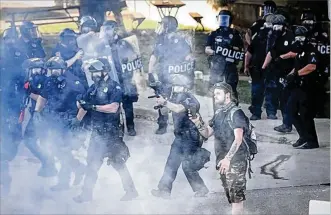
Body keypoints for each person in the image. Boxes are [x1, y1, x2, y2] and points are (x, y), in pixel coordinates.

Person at [73, 58, 138, 203]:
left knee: (118, 163)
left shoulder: (115, 87)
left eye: (96, 72)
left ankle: (131, 191)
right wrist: (77, 120)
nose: (94, 75)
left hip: (111, 133)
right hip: (97, 133)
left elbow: (113, 107)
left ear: (105, 71)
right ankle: (86, 194)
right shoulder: (93, 88)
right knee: (92, 164)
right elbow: (83, 105)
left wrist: (93, 107)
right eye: (92, 73)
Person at [150, 58, 209, 199]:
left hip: (192, 137)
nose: (174, 88)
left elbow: (177, 109)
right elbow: (166, 112)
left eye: (176, 86)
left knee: (187, 166)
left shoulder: (190, 99)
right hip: (180, 136)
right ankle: (164, 190)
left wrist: (166, 102)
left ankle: (201, 189)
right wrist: (162, 104)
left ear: (183, 87)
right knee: (171, 163)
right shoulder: (175, 97)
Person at [191, 82, 250, 215]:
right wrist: (197, 121)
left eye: (218, 93)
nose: (215, 96)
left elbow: (238, 138)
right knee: (231, 197)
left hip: (236, 162)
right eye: (214, 94)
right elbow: (206, 133)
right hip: (223, 162)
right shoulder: (219, 113)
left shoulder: (236, 113)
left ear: (227, 95)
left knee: (236, 199)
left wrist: (228, 159)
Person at [33, 56, 86, 191]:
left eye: (56, 70)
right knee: (56, 150)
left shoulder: (74, 83)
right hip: (54, 121)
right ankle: (78, 167)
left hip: (69, 122)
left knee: (63, 150)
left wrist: (77, 121)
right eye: (51, 70)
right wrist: (37, 112)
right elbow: (42, 97)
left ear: (63, 69)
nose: (53, 73)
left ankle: (64, 182)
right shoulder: (50, 81)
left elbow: (84, 105)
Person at [148, 16, 192, 134]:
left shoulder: (180, 40)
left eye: (162, 24)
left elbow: (188, 58)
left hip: (176, 77)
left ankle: (178, 127)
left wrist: (187, 75)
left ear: (167, 26)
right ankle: (163, 125)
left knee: (176, 101)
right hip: (164, 76)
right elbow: (154, 57)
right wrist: (150, 73)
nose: (160, 26)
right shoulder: (160, 40)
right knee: (162, 100)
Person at [97, 20, 139, 136]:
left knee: (127, 104)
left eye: (108, 29)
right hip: (109, 79)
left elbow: (133, 58)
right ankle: (117, 127)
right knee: (113, 104)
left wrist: (131, 77)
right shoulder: (101, 44)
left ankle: (130, 127)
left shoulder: (123, 42)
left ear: (114, 29)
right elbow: (95, 57)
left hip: (124, 78)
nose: (106, 32)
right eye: (104, 29)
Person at [0, 27, 27, 197]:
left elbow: (24, 76)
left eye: (12, 38)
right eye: (7, 38)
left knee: (15, 126)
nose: (10, 41)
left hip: (14, 97)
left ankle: (10, 150)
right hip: (2, 95)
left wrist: (23, 91)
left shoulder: (20, 54)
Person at [21, 58, 58, 177]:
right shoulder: (32, 80)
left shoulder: (47, 81)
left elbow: (45, 100)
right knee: (35, 141)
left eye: (36, 70)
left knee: (35, 140)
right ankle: (48, 164)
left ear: (42, 70)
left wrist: (29, 93)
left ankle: (51, 165)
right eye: (32, 70)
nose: (34, 72)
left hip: (44, 116)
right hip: (37, 115)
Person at [284, 25, 319, 149]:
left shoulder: (311, 50)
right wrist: (289, 75)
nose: (299, 39)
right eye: (297, 36)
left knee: (305, 114)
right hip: (297, 86)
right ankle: (303, 136)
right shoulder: (299, 50)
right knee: (291, 111)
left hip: (308, 87)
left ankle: (312, 141)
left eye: (302, 37)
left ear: (307, 37)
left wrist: (296, 74)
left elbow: (312, 66)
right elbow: (297, 66)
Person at [261, 14, 295, 132]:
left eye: (278, 26)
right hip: (277, 72)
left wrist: (283, 57)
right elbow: (270, 53)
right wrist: (264, 67)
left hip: (290, 72)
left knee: (287, 100)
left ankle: (288, 124)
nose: (276, 29)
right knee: (281, 98)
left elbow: (295, 52)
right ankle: (286, 123)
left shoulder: (291, 36)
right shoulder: (274, 36)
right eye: (274, 26)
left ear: (284, 26)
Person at [205, 9, 244, 109]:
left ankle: (233, 112)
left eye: (225, 18)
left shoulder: (235, 34)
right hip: (217, 66)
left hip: (230, 66)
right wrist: (216, 51)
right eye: (221, 18)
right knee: (216, 90)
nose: (223, 21)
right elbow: (207, 49)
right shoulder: (213, 34)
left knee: (231, 89)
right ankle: (217, 114)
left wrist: (229, 48)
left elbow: (240, 50)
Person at [244, 13, 278, 120]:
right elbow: (249, 52)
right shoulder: (259, 36)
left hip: (270, 69)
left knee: (270, 91)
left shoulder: (277, 37)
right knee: (257, 91)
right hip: (257, 68)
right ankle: (257, 112)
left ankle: (270, 112)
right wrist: (246, 66)